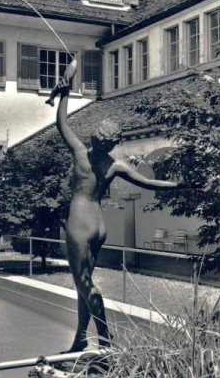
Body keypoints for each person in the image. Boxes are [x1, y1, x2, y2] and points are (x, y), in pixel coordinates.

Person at [47, 60, 178, 353]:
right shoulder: (115, 165)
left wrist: (65, 91)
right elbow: (150, 184)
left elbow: (61, 123)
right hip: (99, 225)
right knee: (85, 283)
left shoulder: (81, 152)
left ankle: (107, 343)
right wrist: (180, 186)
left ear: (94, 137)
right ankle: (80, 340)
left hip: (80, 223)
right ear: (113, 143)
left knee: (84, 285)